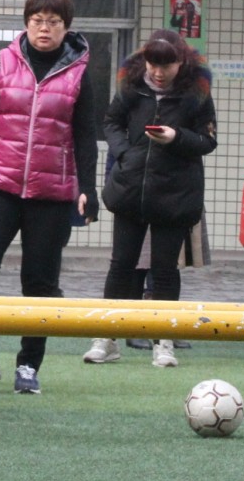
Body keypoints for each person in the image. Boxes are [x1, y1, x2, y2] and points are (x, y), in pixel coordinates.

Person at [0, 0, 98, 394]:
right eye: (37, 21)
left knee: (39, 282)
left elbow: (85, 135)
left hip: (52, 194)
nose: (44, 29)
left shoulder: (79, 72)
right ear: (26, 23)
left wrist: (88, 188)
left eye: (53, 22)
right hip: (0, 184)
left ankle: (29, 364)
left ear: (66, 28)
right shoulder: (4, 62)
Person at [85, 28, 216, 370]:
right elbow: (111, 122)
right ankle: (107, 337)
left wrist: (176, 137)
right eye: (152, 64)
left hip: (175, 194)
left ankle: (163, 341)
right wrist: (125, 153)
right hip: (131, 189)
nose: (158, 72)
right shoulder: (131, 85)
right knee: (120, 266)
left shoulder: (196, 92)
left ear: (180, 62)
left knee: (165, 269)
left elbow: (207, 140)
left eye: (166, 66)